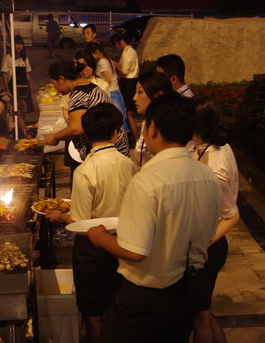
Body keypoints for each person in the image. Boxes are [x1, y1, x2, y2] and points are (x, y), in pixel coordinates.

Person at [87, 93, 222, 343]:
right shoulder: (207, 176)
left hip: (146, 299)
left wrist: (100, 236)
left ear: (153, 129)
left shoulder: (148, 181)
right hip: (187, 292)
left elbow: (135, 251)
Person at [47, 103, 137, 343]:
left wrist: (59, 216)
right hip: (125, 242)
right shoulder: (129, 164)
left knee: (93, 312)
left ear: (87, 133)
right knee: (119, 307)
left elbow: (79, 221)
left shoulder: (85, 170)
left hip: (93, 248)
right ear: (116, 133)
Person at [189, 95, 240, 343]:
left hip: (208, 248)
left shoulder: (214, 169)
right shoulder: (208, 147)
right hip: (203, 243)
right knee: (203, 312)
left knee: (199, 316)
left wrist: (204, 242)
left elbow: (232, 215)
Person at [44, 58, 130, 162]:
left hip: (107, 150)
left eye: (54, 83)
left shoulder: (79, 93)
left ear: (61, 79)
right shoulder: (88, 86)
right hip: (112, 147)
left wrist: (55, 137)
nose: (55, 87)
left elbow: (76, 128)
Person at [132, 71, 174, 166]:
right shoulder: (148, 121)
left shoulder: (167, 123)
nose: (134, 98)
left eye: (140, 92)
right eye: (136, 92)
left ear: (158, 95)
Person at [85, 42, 129, 133]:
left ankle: (124, 138)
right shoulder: (107, 59)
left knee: (119, 117)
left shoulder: (102, 62)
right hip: (115, 90)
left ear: (97, 52)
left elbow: (108, 79)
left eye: (92, 54)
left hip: (112, 92)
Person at [110, 32, 140, 145]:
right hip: (130, 82)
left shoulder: (128, 53)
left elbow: (124, 71)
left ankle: (135, 139)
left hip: (129, 82)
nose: (116, 47)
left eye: (116, 44)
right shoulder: (130, 51)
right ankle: (133, 138)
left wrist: (115, 64)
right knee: (128, 112)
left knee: (129, 112)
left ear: (121, 41)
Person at [1, 35, 37, 119]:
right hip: (12, 87)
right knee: (14, 109)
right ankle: (15, 128)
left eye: (20, 44)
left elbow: (26, 72)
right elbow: (4, 75)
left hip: (24, 87)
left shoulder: (25, 58)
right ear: (12, 45)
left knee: (23, 109)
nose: (18, 46)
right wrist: (7, 89)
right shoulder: (8, 58)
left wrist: (31, 82)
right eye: (16, 44)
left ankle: (22, 127)